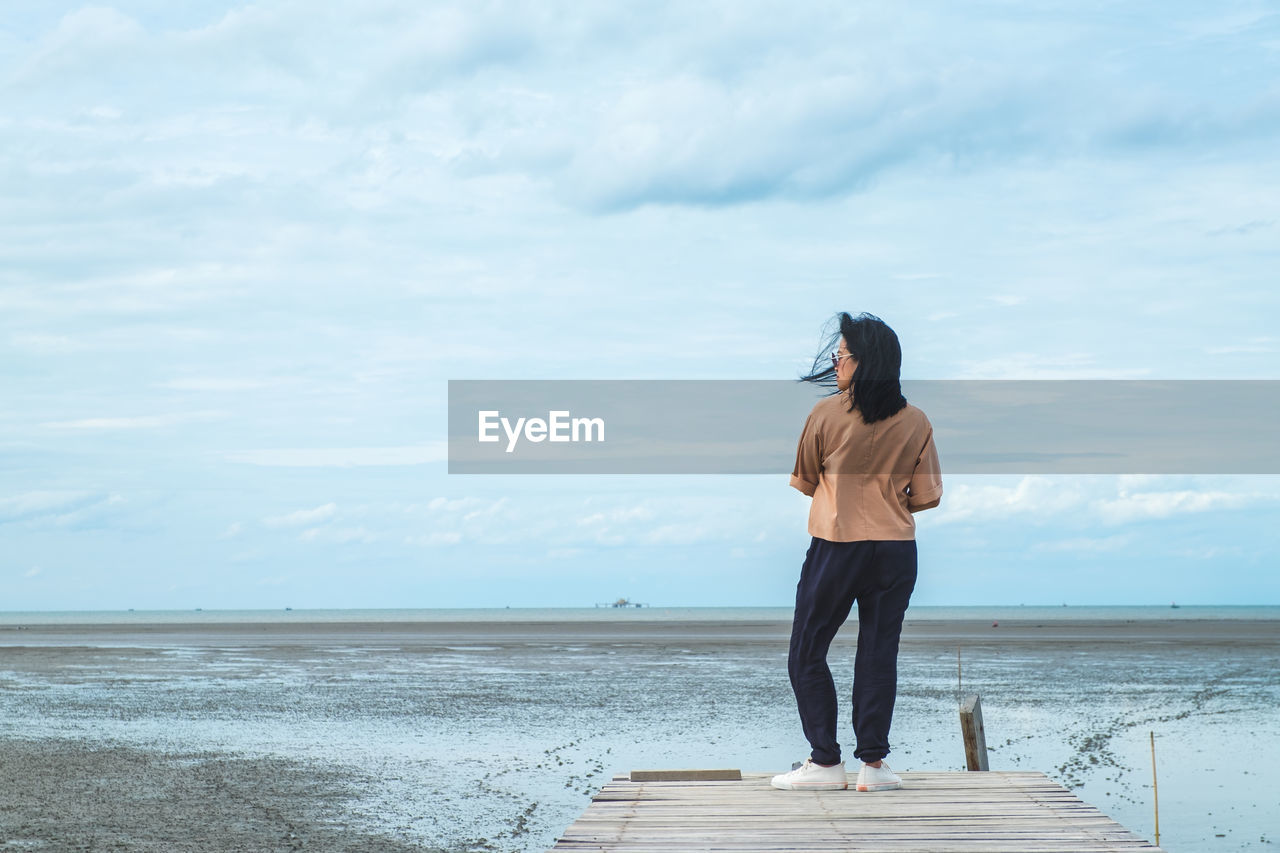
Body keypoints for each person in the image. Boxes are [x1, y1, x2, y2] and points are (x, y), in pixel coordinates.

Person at [771, 312, 943, 793]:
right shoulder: (916, 420)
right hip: (895, 548)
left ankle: (825, 762)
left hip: (837, 544)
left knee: (807, 650)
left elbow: (805, 480)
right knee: (877, 653)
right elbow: (926, 496)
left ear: (861, 362)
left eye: (840, 355)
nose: (835, 362)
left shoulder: (825, 414)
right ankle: (873, 765)